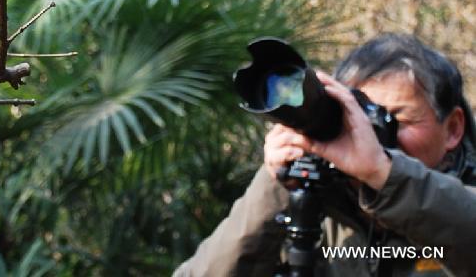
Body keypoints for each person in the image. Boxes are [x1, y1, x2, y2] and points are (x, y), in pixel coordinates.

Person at [174, 33, 476, 277]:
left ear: (452, 129)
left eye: (397, 118)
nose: (371, 136)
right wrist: (277, 184)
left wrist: (386, 176)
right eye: (360, 116)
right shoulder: (316, 204)